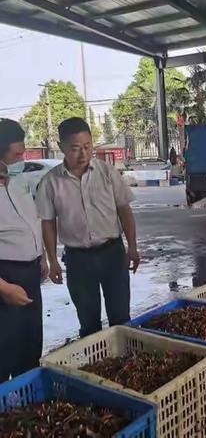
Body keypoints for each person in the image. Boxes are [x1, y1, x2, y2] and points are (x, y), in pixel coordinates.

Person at [36, 118, 140, 338]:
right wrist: (52, 260)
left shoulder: (107, 172)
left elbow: (125, 210)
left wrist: (132, 246)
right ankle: (97, 367)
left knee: (121, 318)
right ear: (61, 146)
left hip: (113, 254)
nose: (83, 154)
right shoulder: (50, 182)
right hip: (78, 260)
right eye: (75, 148)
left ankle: (124, 365)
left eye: (87, 146)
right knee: (89, 322)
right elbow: (47, 222)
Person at [0, 119, 47, 382]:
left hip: (30, 275)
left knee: (30, 347)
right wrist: (4, 288)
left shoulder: (17, 183)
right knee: (4, 350)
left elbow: (33, 221)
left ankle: (27, 407)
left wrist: (39, 256)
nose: (22, 159)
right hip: (5, 278)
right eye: (16, 155)